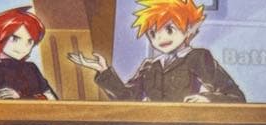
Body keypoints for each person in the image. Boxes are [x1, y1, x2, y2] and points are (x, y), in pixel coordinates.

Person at [67, 0, 245, 103]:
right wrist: (104, 71)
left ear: (189, 29)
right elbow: (129, 99)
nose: (160, 38)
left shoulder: (198, 57)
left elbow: (235, 97)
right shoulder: (150, 65)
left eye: (169, 29)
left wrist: (207, 99)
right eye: (152, 33)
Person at [0, 7, 57, 100]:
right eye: (15, 39)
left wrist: (22, 98)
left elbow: (52, 98)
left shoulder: (31, 68)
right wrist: (36, 98)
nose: (23, 47)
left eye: (30, 41)